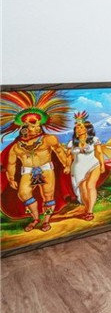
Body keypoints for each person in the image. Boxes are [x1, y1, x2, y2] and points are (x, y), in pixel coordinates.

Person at [1, 90, 76, 232]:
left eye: (37, 125)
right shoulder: (17, 146)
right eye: (32, 125)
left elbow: (59, 151)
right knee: (23, 194)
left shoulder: (48, 139)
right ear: (24, 127)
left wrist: (66, 164)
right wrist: (11, 178)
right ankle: (35, 218)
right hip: (27, 172)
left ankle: (46, 221)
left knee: (48, 195)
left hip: (46, 169)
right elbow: (11, 163)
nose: (36, 128)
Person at [67, 112, 106, 221]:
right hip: (78, 168)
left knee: (90, 186)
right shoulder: (71, 143)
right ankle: (87, 207)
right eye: (76, 128)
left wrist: (102, 164)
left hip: (93, 164)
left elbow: (99, 153)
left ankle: (90, 211)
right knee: (83, 190)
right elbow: (68, 156)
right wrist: (66, 165)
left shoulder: (94, 140)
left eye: (80, 127)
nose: (78, 130)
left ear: (86, 129)